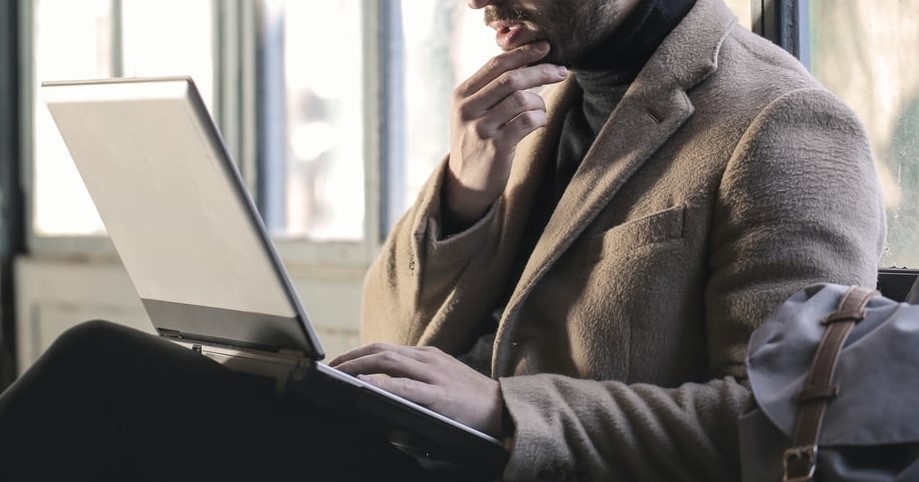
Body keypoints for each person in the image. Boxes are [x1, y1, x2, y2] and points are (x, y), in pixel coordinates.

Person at [0, 0, 886, 480]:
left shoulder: (781, 124)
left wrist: (507, 410)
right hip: (417, 451)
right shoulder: (538, 99)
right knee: (119, 394)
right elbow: (392, 327)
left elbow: (788, 430)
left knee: (100, 380)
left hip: (508, 465)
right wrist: (465, 190)